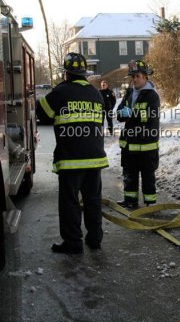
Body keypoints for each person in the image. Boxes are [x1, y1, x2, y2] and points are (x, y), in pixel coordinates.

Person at [36, 52, 108, 254]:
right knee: (93, 200)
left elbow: (43, 114)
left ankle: (73, 242)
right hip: (95, 158)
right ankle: (95, 239)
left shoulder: (62, 92)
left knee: (70, 202)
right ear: (84, 73)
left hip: (71, 159)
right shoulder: (96, 93)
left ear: (66, 73)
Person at [116, 59, 160, 209]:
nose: (134, 79)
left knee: (148, 176)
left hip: (146, 144)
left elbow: (149, 116)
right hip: (129, 144)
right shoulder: (129, 92)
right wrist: (126, 113)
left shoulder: (152, 95)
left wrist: (131, 113)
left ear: (145, 77)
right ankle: (130, 200)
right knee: (129, 175)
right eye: (132, 76)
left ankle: (150, 204)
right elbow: (119, 114)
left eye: (137, 76)